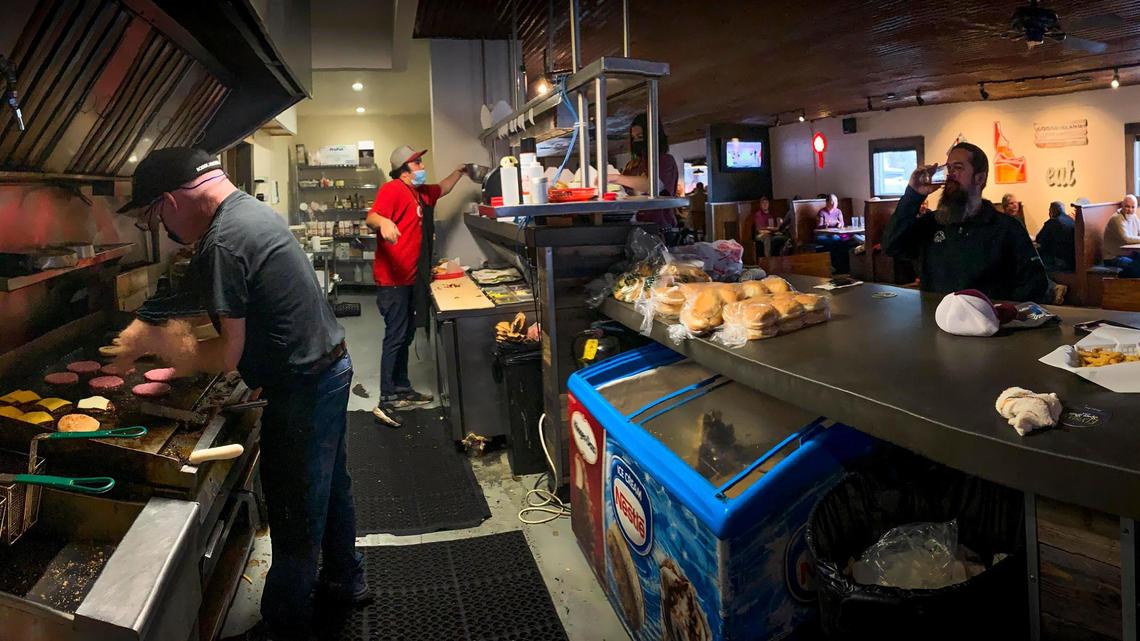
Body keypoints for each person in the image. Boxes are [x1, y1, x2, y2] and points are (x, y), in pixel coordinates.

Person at [112, 148, 364, 641]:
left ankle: (283, 625)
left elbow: (228, 356)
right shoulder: (245, 211)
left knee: (293, 506)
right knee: (330, 486)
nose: (161, 230)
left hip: (305, 384)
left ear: (169, 201)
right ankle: (345, 581)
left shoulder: (224, 240)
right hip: (328, 367)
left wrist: (164, 349)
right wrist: (154, 329)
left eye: (154, 217)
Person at [367, 145, 467, 419]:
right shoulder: (392, 190)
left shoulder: (420, 193)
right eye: (418, 163)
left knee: (408, 333)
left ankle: (402, 387)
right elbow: (372, 216)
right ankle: (386, 397)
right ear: (404, 170)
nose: (422, 167)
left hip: (413, 279)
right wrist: (384, 223)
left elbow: (443, 188)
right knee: (396, 336)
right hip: (393, 281)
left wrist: (459, 172)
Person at [883, 142, 1048, 302]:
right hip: (936, 322)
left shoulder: (1006, 228)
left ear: (980, 178)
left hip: (988, 325)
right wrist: (913, 194)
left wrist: (999, 314)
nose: (950, 174)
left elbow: (1035, 284)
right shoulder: (932, 224)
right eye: (948, 168)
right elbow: (892, 246)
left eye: (958, 168)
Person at [609, 113, 680, 230]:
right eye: (634, 138)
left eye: (640, 137)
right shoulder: (633, 165)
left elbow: (652, 185)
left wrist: (616, 178)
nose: (636, 141)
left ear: (652, 137)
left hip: (659, 227)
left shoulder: (665, 161)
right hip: (635, 225)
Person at [815, 194, 859, 273]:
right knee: (837, 241)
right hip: (823, 235)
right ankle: (837, 266)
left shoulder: (838, 211)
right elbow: (819, 226)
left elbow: (842, 223)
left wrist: (839, 224)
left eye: (835, 201)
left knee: (846, 241)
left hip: (836, 234)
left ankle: (843, 267)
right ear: (827, 202)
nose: (834, 203)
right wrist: (826, 225)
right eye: (832, 201)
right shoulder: (822, 212)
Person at [1103, 194, 1140, 278]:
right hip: (1113, 258)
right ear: (1122, 206)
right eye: (1127, 206)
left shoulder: (1134, 217)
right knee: (1137, 269)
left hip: (1129, 254)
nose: (1130, 210)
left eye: (1133, 207)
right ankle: (1119, 284)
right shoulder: (1117, 218)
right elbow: (1126, 239)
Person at [1035, 200, 1076, 272]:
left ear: (1051, 211)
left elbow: (1039, 239)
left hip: (1061, 261)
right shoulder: (1071, 220)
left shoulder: (1052, 222)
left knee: (1035, 258)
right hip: (1072, 260)